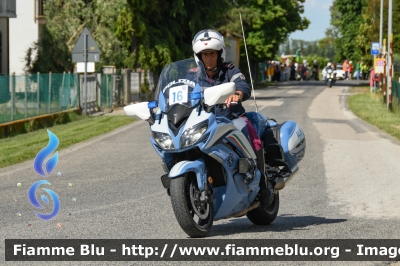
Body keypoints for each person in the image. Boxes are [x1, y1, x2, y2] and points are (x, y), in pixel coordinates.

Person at [191, 29, 273, 207]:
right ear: (199, 56)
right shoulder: (193, 77)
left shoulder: (230, 70)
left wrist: (237, 93)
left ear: (219, 53)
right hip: (205, 124)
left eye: (212, 53)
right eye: (205, 54)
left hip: (231, 119)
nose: (209, 58)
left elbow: (243, 85)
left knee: (250, 134)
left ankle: (263, 183)